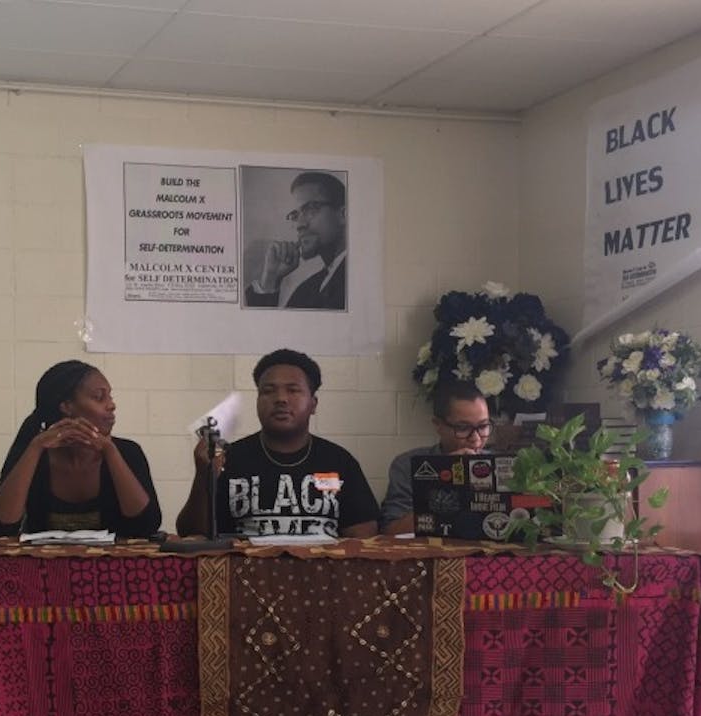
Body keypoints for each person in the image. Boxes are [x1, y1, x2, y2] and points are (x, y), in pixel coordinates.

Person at [176, 349, 379, 538]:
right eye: (268, 391)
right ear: (257, 400)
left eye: (293, 390)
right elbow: (192, 535)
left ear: (313, 404)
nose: (281, 399)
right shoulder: (229, 458)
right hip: (246, 574)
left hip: (322, 574)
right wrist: (203, 476)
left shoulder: (339, 461)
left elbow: (364, 536)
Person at [0, 360, 161, 537]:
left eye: (110, 396)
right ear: (67, 406)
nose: (111, 405)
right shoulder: (33, 453)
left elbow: (145, 526)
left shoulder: (128, 452)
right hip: (44, 564)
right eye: (99, 397)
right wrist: (35, 448)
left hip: (112, 565)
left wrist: (110, 451)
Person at [379, 381, 493, 535]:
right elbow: (392, 530)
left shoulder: (501, 465)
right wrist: (443, 474)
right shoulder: (408, 465)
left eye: (483, 426)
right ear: (438, 425)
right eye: (463, 428)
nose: (476, 439)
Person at [244, 171, 348, 311]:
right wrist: (271, 278)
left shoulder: (359, 280)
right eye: (295, 215)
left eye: (311, 209)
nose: (299, 225)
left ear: (343, 215)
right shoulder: (305, 291)